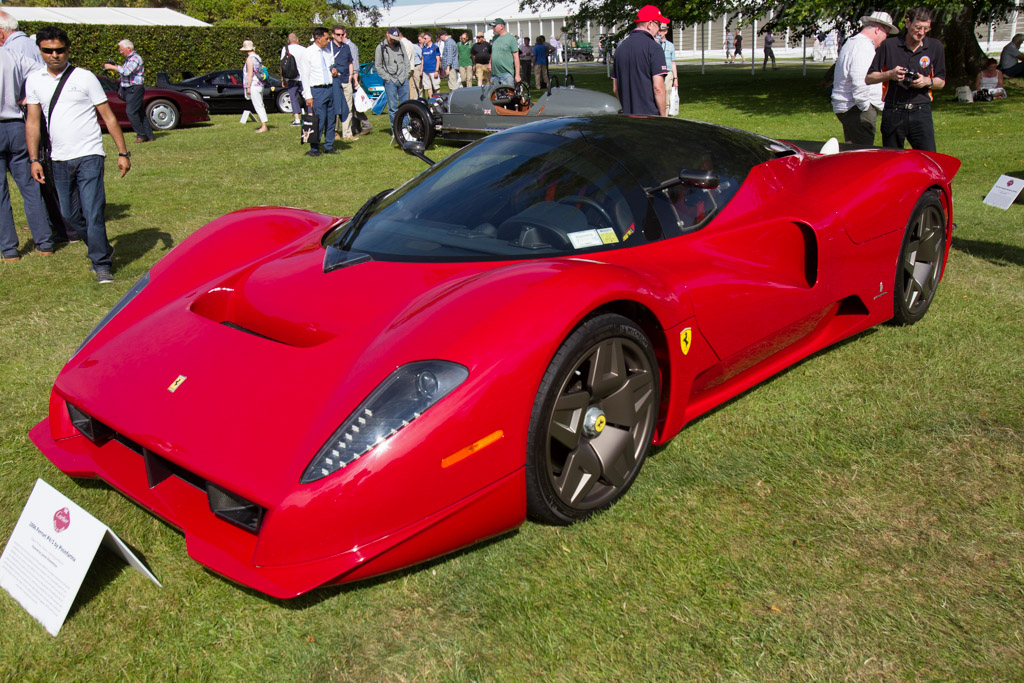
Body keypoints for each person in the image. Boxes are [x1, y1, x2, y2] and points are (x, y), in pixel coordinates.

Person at [25, 26, 131, 283]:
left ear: (68, 50)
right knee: (70, 215)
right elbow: (32, 122)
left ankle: (101, 264)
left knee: (93, 211)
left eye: (60, 50)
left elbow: (108, 116)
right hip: (58, 158)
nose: (54, 55)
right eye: (48, 50)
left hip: (89, 154)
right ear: (40, 51)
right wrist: (34, 159)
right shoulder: (35, 80)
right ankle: (102, 247)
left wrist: (122, 152)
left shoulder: (84, 77)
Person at [866, 6, 946, 152]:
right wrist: (890, 74)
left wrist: (927, 81)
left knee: (928, 158)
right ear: (908, 23)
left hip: (921, 111)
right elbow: (869, 78)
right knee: (892, 160)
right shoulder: (889, 45)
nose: (921, 33)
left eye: (926, 29)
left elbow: (941, 82)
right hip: (894, 110)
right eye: (918, 27)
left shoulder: (935, 46)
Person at [0, 44, 50, 262]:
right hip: (16, 125)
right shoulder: (12, 55)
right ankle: (45, 242)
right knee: (30, 188)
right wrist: (27, 97)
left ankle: (10, 250)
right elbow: (41, 69)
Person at [832, 11, 898, 146]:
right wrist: (865, 107)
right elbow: (860, 80)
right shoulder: (863, 46)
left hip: (851, 107)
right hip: (857, 108)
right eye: (886, 33)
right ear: (878, 30)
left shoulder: (854, 42)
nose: (886, 38)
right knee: (862, 152)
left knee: (852, 149)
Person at [612, 5, 669, 116]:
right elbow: (658, 88)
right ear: (650, 24)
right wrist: (663, 117)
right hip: (650, 117)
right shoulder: (654, 48)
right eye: (658, 24)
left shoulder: (620, 49)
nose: (659, 30)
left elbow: (615, 88)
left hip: (627, 116)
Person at [103, 39, 153, 143]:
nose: (120, 52)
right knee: (140, 112)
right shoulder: (129, 59)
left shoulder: (135, 58)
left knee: (130, 112)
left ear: (128, 48)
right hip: (130, 89)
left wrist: (113, 67)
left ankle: (141, 135)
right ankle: (150, 136)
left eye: (121, 50)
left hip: (135, 89)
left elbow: (126, 72)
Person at [300, 27, 336, 157]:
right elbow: (305, 75)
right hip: (317, 90)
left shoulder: (327, 52)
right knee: (319, 119)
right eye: (326, 38)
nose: (328, 40)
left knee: (331, 119)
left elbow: (331, 67)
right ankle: (314, 148)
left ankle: (329, 145)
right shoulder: (308, 53)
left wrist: (335, 71)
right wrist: (308, 96)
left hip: (330, 88)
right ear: (318, 38)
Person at [375, 28, 409, 127]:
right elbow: (378, 66)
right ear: (387, 34)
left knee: (406, 105)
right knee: (393, 107)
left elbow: (406, 61)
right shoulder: (380, 47)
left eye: (395, 38)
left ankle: (406, 128)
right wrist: (387, 78)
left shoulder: (400, 45)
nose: (393, 40)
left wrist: (406, 74)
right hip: (390, 81)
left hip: (403, 79)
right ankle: (396, 130)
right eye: (392, 37)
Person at [326, 27, 354, 141]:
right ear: (333, 35)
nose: (341, 36)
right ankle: (334, 132)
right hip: (334, 81)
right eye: (338, 34)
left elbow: (350, 62)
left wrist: (351, 76)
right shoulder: (328, 48)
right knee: (334, 107)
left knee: (348, 107)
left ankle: (347, 133)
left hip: (346, 80)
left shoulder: (346, 47)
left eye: (342, 34)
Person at [239, 40, 269, 133]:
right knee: (260, 104)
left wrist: (248, 87)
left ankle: (264, 126)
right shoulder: (257, 57)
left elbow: (250, 74)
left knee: (258, 106)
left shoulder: (249, 59)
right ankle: (264, 124)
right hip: (260, 84)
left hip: (254, 85)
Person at [280, 33, 305, 126]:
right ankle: (310, 116)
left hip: (291, 77)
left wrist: (283, 79)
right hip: (303, 77)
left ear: (288, 41)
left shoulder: (285, 49)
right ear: (297, 40)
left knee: (293, 98)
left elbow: (282, 65)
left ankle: (297, 119)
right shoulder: (304, 49)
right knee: (307, 97)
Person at [489, 18, 520, 85]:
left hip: (506, 75)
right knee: (495, 95)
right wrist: (490, 63)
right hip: (494, 75)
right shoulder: (494, 38)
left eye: (494, 26)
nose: (493, 28)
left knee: (508, 95)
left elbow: (516, 57)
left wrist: (517, 75)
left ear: (501, 26)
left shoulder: (511, 38)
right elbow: (493, 52)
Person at [399, 31, 420, 99]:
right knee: (410, 85)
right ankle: (411, 101)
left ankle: (407, 102)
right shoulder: (409, 42)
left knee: (405, 86)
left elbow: (405, 57)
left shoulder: (403, 43)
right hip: (411, 66)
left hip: (405, 67)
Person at [657, 25, 678, 93]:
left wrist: (675, 78)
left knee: (667, 91)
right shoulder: (655, 44)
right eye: (658, 31)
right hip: (657, 72)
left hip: (668, 71)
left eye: (661, 31)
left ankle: (667, 104)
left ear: (665, 31)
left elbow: (673, 62)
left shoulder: (670, 45)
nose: (659, 33)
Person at [420, 32, 440, 96]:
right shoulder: (424, 48)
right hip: (425, 71)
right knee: (428, 87)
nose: (424, 40)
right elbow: (422, 59)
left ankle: (438, 99)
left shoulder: (435, 47)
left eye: (425, 38)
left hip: (433, 70)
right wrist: (421, 70)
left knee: (436, 86)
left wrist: (436, 70)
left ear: (430, 39)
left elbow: (438, 59)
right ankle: (431, 100)